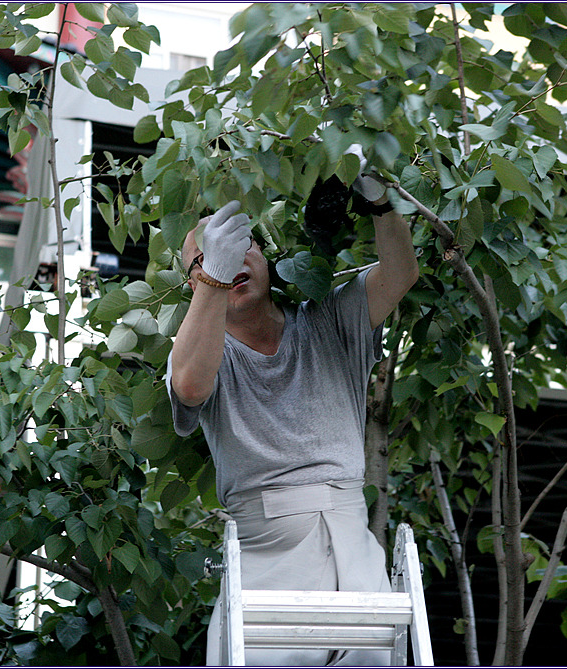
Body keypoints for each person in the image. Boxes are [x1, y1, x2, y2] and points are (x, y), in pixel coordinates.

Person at [165, 147, 419, 666]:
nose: (233, 262)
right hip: (265, 562)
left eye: (244, 246)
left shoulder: (327, 318)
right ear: (193, 282)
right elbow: (189, 386)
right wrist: (213, 275)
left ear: (265, 256)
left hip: (353, 547)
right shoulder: (202, 349)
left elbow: (400, 274)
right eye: (206, 259)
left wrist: (378, 198)